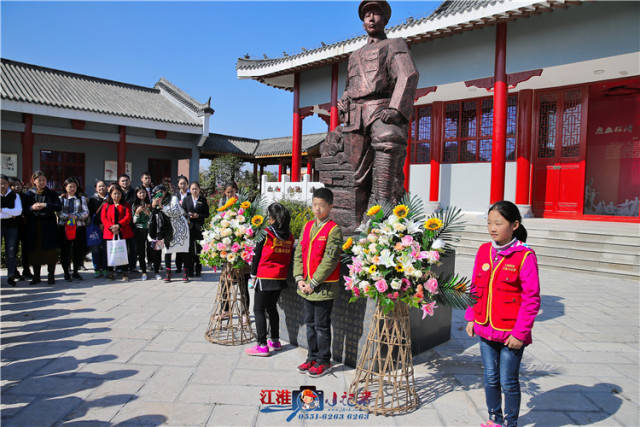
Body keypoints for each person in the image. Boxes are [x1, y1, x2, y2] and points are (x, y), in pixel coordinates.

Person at [465, 201, 541, 427]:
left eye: (498, 223)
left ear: (514, 224)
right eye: (489, 223)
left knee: (508, 381)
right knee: (490, 377)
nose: (492, 228)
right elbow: (475, 288)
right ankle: (494, 419)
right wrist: (471, 317)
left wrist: (520, 333)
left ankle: (511, 423)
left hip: (511, 334)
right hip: (485, 328)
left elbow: (532, 298)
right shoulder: (483, 251)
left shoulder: (525, 256)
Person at [293, 188, 342, 377]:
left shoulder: (334, 230)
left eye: (321, 206)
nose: (317, 209)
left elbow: (330, 261)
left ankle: (324, 360)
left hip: (323, 288)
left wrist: (313, 282)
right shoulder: (306, 227)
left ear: (330, 206)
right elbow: (299, 254)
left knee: (322, 326)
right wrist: (299, 279)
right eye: (314, 205)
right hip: (305, 287)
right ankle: (311, 357)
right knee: (310, 324)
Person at [245, 203, 294, 357]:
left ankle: (261, 345)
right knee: (272, 308)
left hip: (265, 276)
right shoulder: (290, 236)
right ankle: (275, 340)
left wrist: (253, 275)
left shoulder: (266, 233)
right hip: (280, 277)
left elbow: (257, 256)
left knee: (258, 309)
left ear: (272, 218)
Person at [24, 170, 62, 285]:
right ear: (34, 181)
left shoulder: (52, 193)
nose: (41, 182)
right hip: (34, 226)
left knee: (50, 251)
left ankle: (51, 276)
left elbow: (58, 206)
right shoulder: (29, 194)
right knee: (36, 251)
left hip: (49, 225)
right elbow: (24, 210)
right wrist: (32, 207)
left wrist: (46, 205)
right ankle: (36, 276)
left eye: (44, 180)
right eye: (39, 180)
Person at [150, 184, 189, 282]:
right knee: (168, 250)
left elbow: (175, 211)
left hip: (180, 227)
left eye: (161, 192)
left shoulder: (173, 198)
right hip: (167, 229)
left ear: (165, 191)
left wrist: (161, 207)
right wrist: (153, 206)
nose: (160, 195)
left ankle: (185, 273)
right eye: (157, 193)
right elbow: (154, 215)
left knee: (183, 250)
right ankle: (168, 273)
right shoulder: (156, 201)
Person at [58, 177, 89, 281]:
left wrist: (76, 216)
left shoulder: (81, 198)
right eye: (70, 186)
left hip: (78, 227)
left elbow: (86, 212)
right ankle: (66, 272)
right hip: (64, 228)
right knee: (65, 251)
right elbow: (59, 212)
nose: (72, 189)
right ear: (65, 187)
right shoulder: (61, 199)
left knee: (78, 250)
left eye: (74, 186)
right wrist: (68, 217)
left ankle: (76, 271)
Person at [101, 185, 134, 281]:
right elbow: (104, 218)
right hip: (110, 232)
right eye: (114, 193)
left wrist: (118, 225)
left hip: (123, 231)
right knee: (110, 252)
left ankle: (125, 272)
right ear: (110, 195)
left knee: (124, 252)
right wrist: (111, 227)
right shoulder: (106, 205)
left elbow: (128, 217)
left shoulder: (125, 204)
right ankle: (110, 271)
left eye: (119, 193)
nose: (117, 195)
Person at [182, 181, 209, 277]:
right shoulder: (186, 199)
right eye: (192, 189)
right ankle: (189, 270)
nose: (194, 191)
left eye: (196, 189)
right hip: (189, 227)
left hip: (199, 227)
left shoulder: (203, 200)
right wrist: (188, 216)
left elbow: (207, 214)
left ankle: (198, 269)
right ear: (190, 190)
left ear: (199, 190)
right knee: (189, 250)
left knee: (199, 249)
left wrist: (198, 215)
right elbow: (183, 212)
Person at [1, 174, 23, 286]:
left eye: (4, 183)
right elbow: (13, 212)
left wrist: (2, 210)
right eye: (0, 183)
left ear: (8, 184)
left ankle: (11, 276)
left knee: (11, 251)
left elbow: (18, 211)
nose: (2, 185)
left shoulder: (15, 196)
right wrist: (10, 212)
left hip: (12, 226)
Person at [10, 179, 32, 280]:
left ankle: (26, 270)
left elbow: (29, 208)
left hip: (25, 226)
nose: (17, 187)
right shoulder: (8, 197)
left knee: (26, 249)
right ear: (10, 187)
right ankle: (14, 271)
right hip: (12, 226)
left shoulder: (26, 196)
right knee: (13, 249)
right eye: (14, 185)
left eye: (18, 185)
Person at [88, 180, 108, 278]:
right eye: (99, 186)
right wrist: (99, 223)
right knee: (95, 249)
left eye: (103, 186)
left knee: (105, 249)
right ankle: (97, 269)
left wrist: (105, 224)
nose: (101, 188)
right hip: (95, 228)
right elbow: (91, 214)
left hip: (107, 227)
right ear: (96, 188)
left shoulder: (109, 198)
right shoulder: (92, 199)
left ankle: (105, 268)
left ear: (107, 187)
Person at [132, 186, 151, 280]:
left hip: (149, 230)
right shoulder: (134, 205)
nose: (142, 194)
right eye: (139, 193)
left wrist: (148, 212)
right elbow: (134, 221)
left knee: (151, 250)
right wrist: (137, 213)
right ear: (136, 194)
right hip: (139, 231)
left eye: (143, 192)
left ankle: (153, 268)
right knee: (141, 251)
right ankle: (143, 271)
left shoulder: (149, 204)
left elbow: (153, 218)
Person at [175, 175, 190, 274]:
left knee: (187, 246)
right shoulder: (175, 195)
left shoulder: (190, 195)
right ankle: (178, 266)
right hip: (178, 223)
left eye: (184, 183)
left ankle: (187, 266)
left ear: (187, 184)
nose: (183, 185)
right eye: (181, 183)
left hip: (189, 222)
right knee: (179, 245)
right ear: (178, 185)